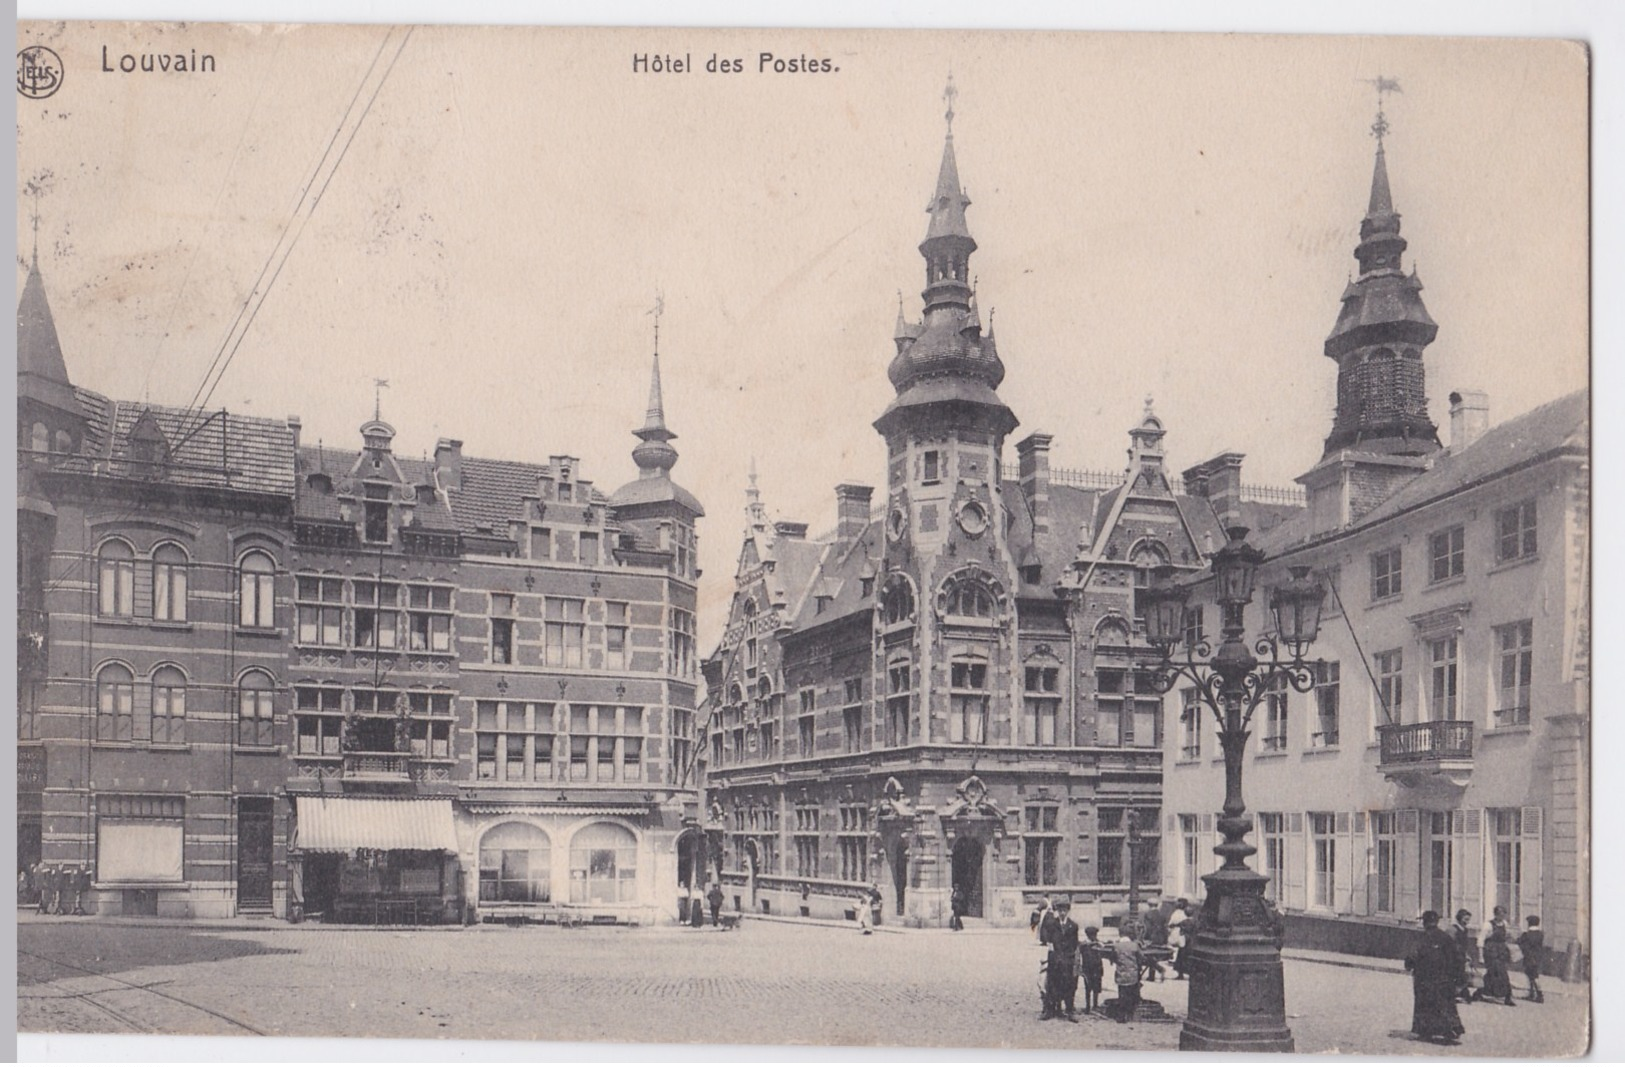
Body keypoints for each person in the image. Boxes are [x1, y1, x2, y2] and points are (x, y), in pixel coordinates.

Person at [1405, 911, 1466, 1045]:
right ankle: (1451, 1028)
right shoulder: (1446, 937)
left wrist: (1409, 965)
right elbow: (1457, 957)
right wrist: (1458, 977)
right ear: (1437, 922)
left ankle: (1426, 1030)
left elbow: (1412, 956)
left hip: (1424, 978)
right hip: (1444, 978)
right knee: (1445, 1003)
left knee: (1424, 1003)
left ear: (1425, 922)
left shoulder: (1422, 938)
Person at [1039, 898, 1080, 1020]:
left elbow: (1074, 944)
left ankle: (1070, 1011)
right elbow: (1049, 943)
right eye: (1060, 910)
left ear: (1068, 911)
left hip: (1067, 960)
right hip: (1055, 960)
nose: (1062, 913)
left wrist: (1068, 958)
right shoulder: (1052, 924)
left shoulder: (1073, 926)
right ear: (1057, 911)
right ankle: (1051, 1010)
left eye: (1064, 911)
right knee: (1052, 985)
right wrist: (1055, 957)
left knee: (1069, 985)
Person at [1476, 908, 1516, 1006]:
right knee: (1500, 974)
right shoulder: (1488, 925)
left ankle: (1480, 992)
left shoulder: (1505, 924)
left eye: (1504, 914)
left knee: (1493, 975)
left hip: (1501, 952)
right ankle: (1507, 997)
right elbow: (1481, 940)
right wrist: (1481, 956)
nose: (1502, 917)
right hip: (1491, 952)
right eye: (1500, 914)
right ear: (1496, 914)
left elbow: (1507, 937)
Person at [1111, 922, 1145, 1022]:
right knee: (1132, 994)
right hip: (1133, 975)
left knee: (1122, 995)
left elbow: (1113, 958)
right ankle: (1131, 1014)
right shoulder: (1134, 946)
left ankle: (1121, 1016)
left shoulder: (1116, 946)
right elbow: (1141, 957)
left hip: (1121, 975)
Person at [1516, 916, 1545, 1003]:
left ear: (1529, 923)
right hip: (1538, 957)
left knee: (1533, 976)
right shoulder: (1540, 934)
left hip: (1529, 957)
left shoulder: (1526, 934)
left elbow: (1519, 941)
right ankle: (1532, 994)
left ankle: (1539, 995)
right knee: (1533, 976)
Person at [1450, 909, 1477, 1003]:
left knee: (1461, 975)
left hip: (1461, 956)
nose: (1467, 922)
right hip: (1453, 956)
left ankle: (1460, 994)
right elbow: (1450, 942)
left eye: (1468, 920)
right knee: (1456, 975)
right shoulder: (1453, 929)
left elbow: (1465, 945)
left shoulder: (1465, 930)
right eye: (1465, 919)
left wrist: (1467, 955)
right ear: (1460, 918)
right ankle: (1460, 994)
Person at [1079, 925, 1106, 1013]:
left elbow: (1104, 948)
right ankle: (1088, 1006)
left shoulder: (1098, 943)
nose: (1094, 937)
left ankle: (1095, 1005)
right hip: (1088, 968)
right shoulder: (1084, 945)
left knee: (1096, 988)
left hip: (1097, 968)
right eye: (1092, 935)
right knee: (1088, 987)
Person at [1167, 899, 1190, 980]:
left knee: (1177, 948)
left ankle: (1173, 961)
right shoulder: (1185, 915)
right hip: (1186, 937)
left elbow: (1171, 923)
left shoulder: (1176, 913)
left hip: (1178, 933)